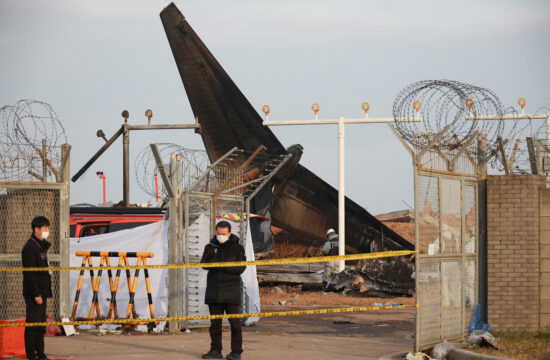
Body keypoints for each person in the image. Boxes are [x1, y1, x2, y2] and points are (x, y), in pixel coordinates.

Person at [200, 221, 246, 360]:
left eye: (224, 234)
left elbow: (241, 267)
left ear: (229, 233)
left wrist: (225, 266)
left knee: (235, 324)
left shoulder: (238, 248)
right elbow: (203, 264)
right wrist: (213, 263)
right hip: (214, 291)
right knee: (215, 324)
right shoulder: (210, 247)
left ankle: (236, 352)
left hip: (231, 291)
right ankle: (215, 350)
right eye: (219, 234)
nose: (221, 236)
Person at [21, 216, 52, 360]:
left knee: (40, 325)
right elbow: (30, 275)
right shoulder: (30, 248)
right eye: (45, 228)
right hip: (35, 293)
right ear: (36, 229)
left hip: (42, 291)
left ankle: (40, 353)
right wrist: (36, 294)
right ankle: (31, 355)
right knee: (32, 325)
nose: (47, 231)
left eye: (48, 228)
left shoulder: (39, 246)